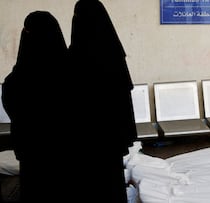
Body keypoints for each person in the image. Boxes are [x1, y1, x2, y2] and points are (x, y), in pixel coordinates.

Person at [68, 0, 137, 202]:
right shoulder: (114, 55)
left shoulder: (73, 58)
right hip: (110, 137)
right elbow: (124, 100)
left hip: (84, 138)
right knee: (111, 181)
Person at [1, 11, 69, 202]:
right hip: (66, 155)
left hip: (33, 157)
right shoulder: (73, 74)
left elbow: (12, 107)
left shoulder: (16, 80)